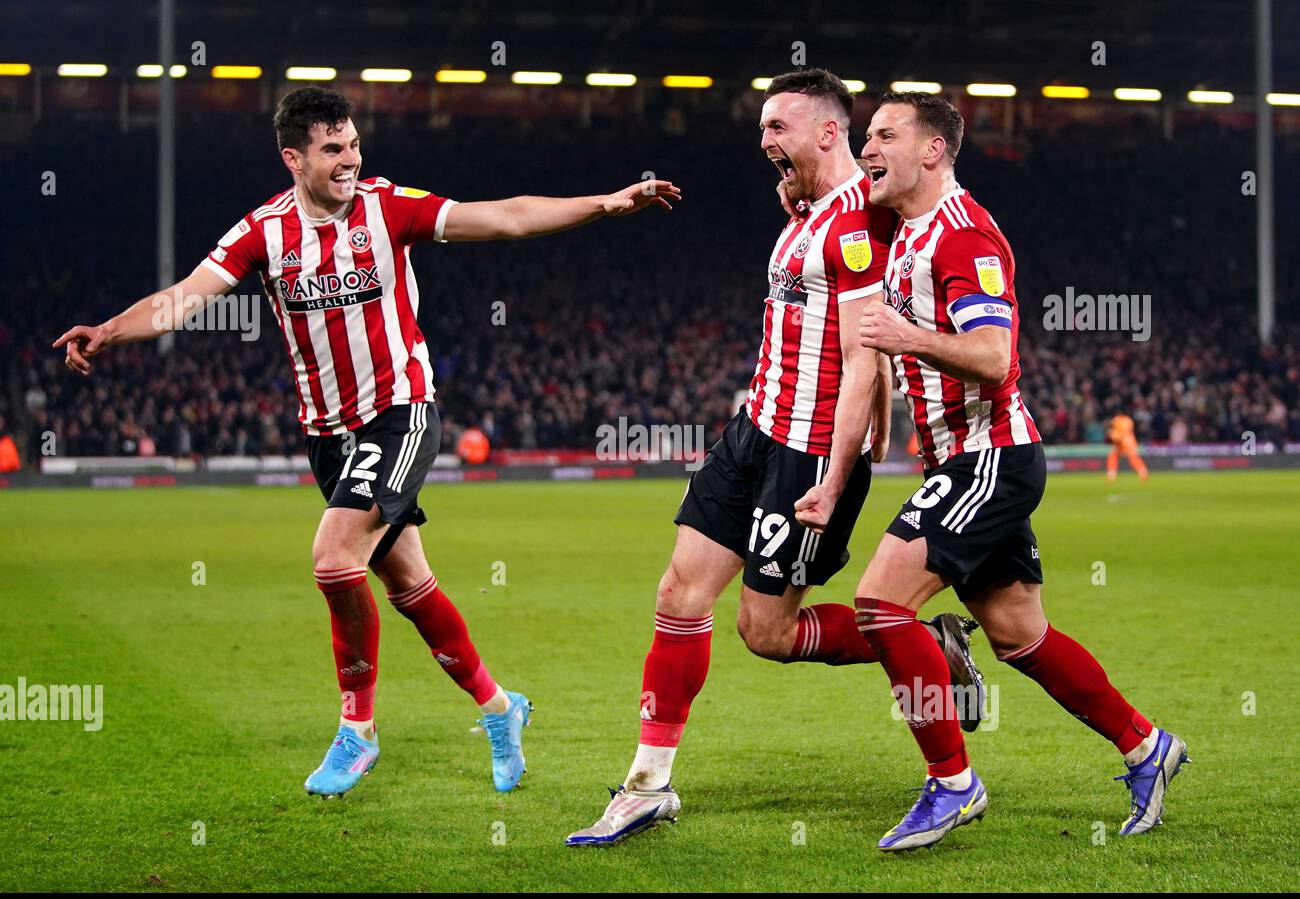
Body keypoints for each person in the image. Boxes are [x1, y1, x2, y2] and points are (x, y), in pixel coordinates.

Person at [52, 86, 680, 800]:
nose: (350, 160)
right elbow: (184, 299)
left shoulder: (389, 208)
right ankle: (503, 711)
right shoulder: (263, 231)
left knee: (332, 557)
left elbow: (504, 216)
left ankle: (358, 731)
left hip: (400, 412)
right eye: (332, 149)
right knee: (408, 583)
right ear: (294, 157)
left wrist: (605, 203)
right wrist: (108, 329)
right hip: (328, 434)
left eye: (353, 144)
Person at [566, 70, 980, 848]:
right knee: (678, 591)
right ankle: (647, 784)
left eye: (777, 126)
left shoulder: (859, 221)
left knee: (768, 633)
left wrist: (841, 466)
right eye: (761, 127)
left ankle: (935, 651)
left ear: (828, 131)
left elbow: (866, 352)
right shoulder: (805, 211)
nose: (764, 141)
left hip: (809, 450)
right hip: (752, 427)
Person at [841, 91, 1186, 850]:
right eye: (865, 134)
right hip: (966, 460)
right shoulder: (903, 228)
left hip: (987, 459)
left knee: (879, 604)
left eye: (885, 135)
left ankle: (953, 785)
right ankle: (1146, 747)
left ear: (932, 151)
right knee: (1019, 634)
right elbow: (835, 201)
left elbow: (995, 359)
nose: (869, 147)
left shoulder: (965, 237)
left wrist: (906, 334)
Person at [1106, 412, 1149, 481]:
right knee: (1132, 457)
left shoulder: (1116, 419)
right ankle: (1142, 471)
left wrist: (1112, 434)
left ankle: (1112, 473)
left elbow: (1115, 430)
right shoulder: (1129, 420)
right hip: (1129, 441)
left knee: (1115, 456)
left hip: (1122, 441)